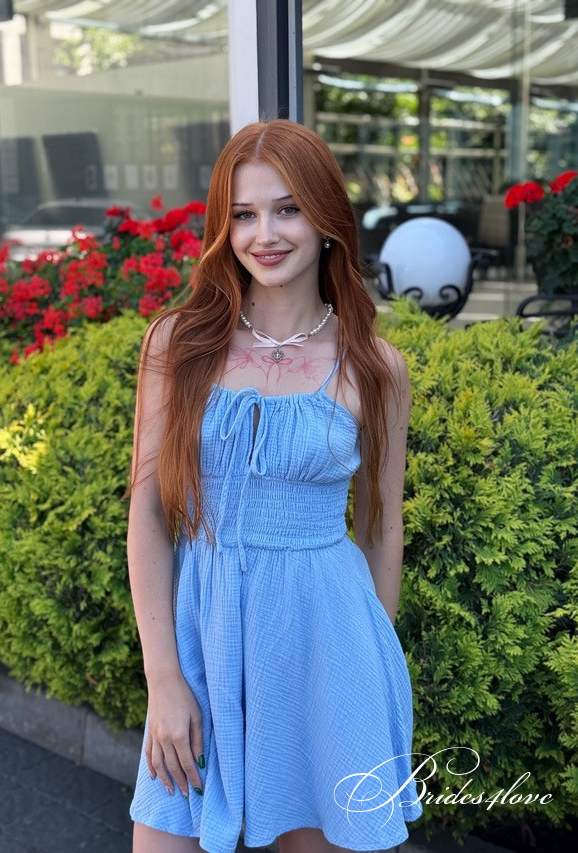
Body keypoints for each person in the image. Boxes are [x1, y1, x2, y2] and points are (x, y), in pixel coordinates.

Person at [126, 119, 423, 853]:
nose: (265, 234)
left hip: (328, 647)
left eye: (287, 209)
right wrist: (164, 679)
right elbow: (149, 516)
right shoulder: (178, 343)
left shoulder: (374, 366)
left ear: (326, 219)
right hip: (203, 635)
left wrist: (367, 672)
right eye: (243, 213)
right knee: (162, 833)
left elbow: (381, 527)